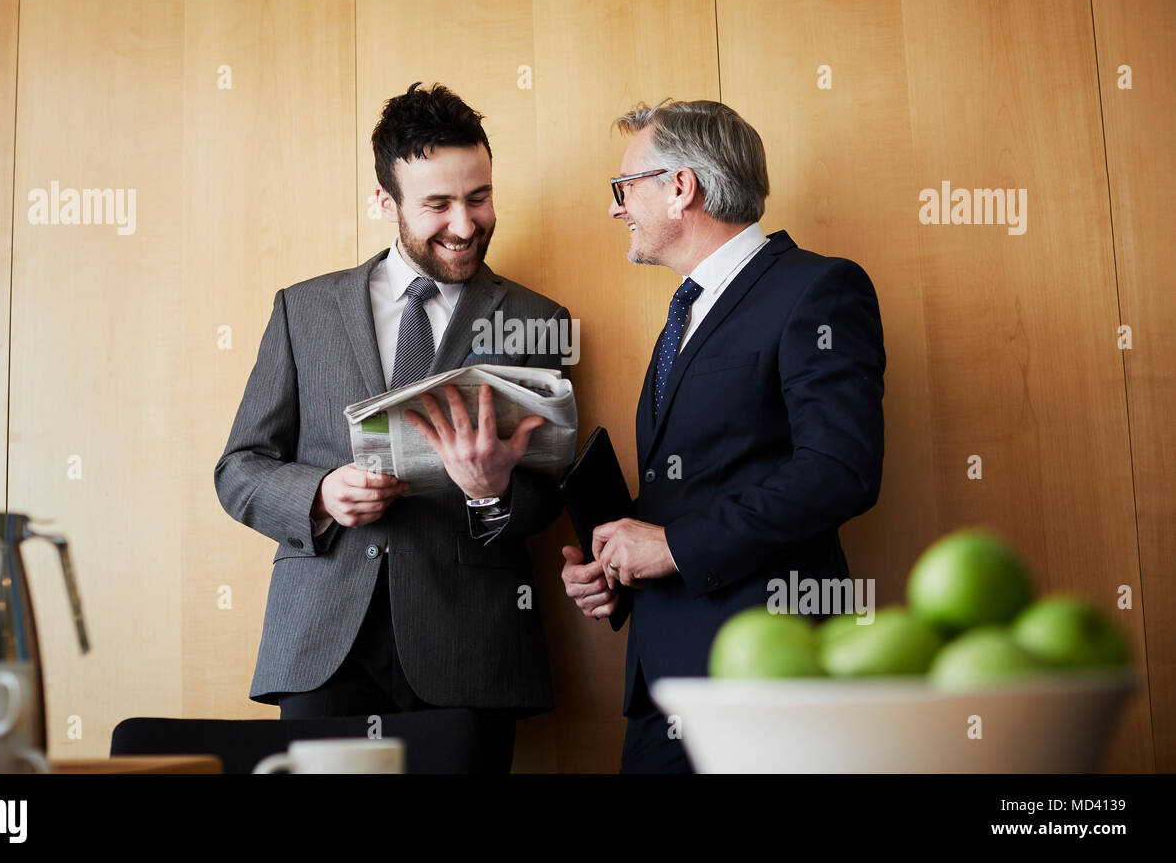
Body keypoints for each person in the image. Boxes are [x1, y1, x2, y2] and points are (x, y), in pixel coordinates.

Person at [216, 82, 570, 772]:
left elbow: (550, 493)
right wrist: (319, 495)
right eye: (437, 205)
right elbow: (239, 468)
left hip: (470, 647)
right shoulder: (302, 311)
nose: (465, 225)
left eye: (479, 197)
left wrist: (491, 492)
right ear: (385, 202)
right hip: (322, 645)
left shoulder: (538, 318)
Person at [561, 98, 886, 773]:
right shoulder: (687, 311)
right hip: (663, 676)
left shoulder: (817, 289)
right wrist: (619, 567)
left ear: (681, 188)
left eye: (623, 189)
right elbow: (703, 484)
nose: (614, 208)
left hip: (764, 674)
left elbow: (840, 469)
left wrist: (672, 546)